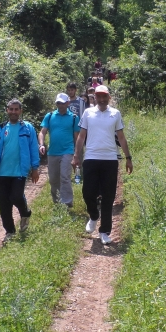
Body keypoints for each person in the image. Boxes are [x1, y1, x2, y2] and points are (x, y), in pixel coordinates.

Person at [72, 86, 133, 245]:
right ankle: (93, 216)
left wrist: (128, 158)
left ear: (108, 97)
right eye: (99, 96)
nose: (101, 99)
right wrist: (76, 155)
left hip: (110, 160)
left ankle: (105, 231)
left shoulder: (115, 114)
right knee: (87, 193)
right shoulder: (88, 113)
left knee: (108, 196)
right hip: (91, 158)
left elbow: (121, 137)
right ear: (95, 98)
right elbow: (81, 137)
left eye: (104, 96)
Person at [0, 99, 40, 242]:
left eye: (16, 109)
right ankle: (10, 232)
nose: (14, 112)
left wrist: (35, 168)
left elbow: (33, 148)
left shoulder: (27, 128)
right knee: (4, 204)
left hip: (19, 171)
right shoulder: (1, 129)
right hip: (2, 172)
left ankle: (25, 213)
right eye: (11, 109)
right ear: (7, 110)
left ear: (21, 111)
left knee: (16, 196)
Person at [38, 93, 80, 207]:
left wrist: (77, 154)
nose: (60, 105)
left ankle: (67, 203)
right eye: (58, 103)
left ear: (68, 103)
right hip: (52, 152)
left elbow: (77, 137)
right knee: (53, 179)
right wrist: (41, 145)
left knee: (65, 177)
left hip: (67, 151)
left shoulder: (74, 118)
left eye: (62, 103)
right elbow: (42, 132)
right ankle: (57, 202)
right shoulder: (50, 116)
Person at [66, 82, 87, 183]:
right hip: (67, 130)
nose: (70, 92)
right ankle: (70, 172)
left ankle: (79, 174)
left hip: (78, 129)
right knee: (68, 151)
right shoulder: (65, 101)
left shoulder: (80, 101)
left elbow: (83, 115)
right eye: (69, 90)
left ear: (75, 90)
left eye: (72, 90)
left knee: (79, 151)